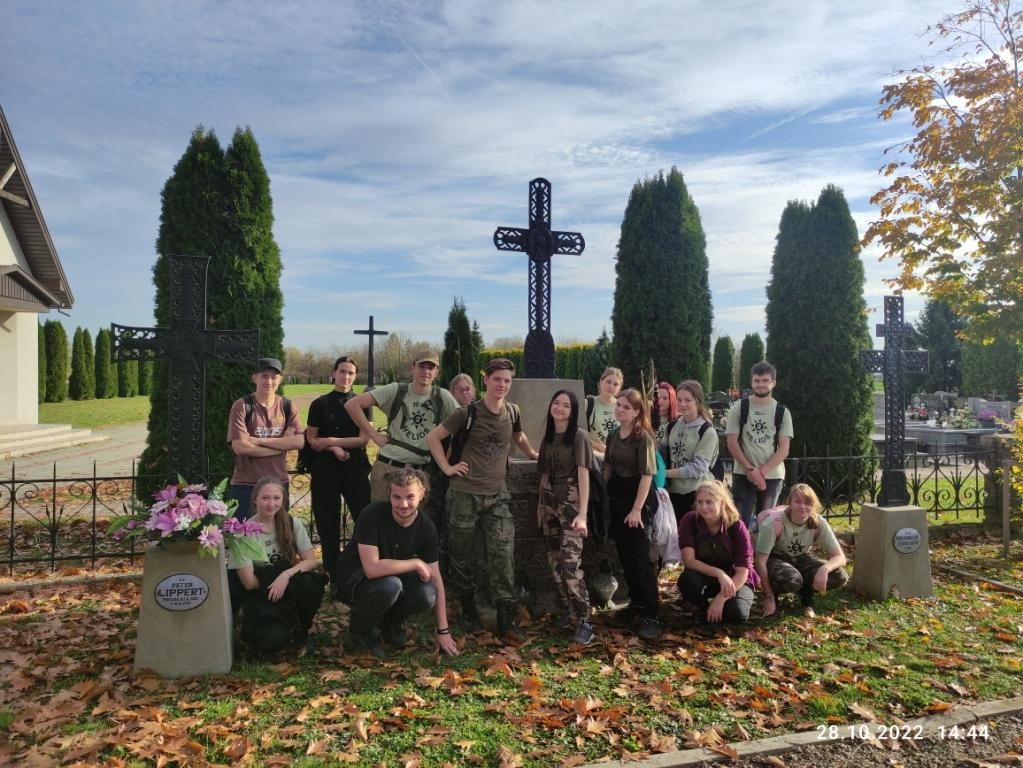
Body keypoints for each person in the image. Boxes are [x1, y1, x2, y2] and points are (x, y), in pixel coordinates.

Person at [426, 358, 539, 642]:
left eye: (507, 380)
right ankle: (468, 611)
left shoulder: (512, 411)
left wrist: (533, 454)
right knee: (462, 555)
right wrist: (447, 468)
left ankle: (505, 618)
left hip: (497, 496)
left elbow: (518, 436)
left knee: (503, 554)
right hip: (464, 495)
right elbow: (433, 438)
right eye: (497, 379)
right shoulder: (467, 413)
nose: (502, 385)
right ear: (486, 380)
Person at [334, 467, 459, 657]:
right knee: (390, 586)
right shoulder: (371, 515)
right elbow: (371, 568)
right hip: (354, 577)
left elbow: (436, 578)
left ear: (422, 495)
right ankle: (359, 632)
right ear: (389, 495)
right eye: (396, 497)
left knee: (427, 593)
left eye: (410, 497)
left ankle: (389, 622)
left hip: (390, 575)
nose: (403, 504)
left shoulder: (426, 527)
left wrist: (443, 630)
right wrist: (416, 564)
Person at [344, 353, 458, 521]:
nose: (426, 371)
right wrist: (374, 435)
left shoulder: (442, 397)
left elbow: (463, 421)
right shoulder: (396, 390)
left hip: (419, 473)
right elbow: (353, 404)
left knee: (412, 527)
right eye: (421, 366)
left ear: (437, 372)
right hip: (389, 468)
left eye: (431, 368)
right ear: (413, 367)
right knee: (381, 522)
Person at [228, 476, 325, 653]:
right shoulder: (243, 533)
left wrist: (285, 576)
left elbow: (310, 561)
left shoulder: (292, 523)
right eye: (265, 498)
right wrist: (278, 581)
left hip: (287, 583)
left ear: (283, 500)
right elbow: (249, 583)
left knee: (311, 583)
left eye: (276, 498)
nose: (271, 504)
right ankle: (279, 627)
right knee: (271, 642)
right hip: (262, 593)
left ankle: (301, 630)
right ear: (255, 499)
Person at [536, 390, 595, 645]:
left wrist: (583, 514)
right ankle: (568, 611)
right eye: (556, 403)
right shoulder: (549, 437)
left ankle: (585, 620)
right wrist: (540, 507)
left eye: (566, 405)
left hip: (572, 508)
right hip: (550, 506)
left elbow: (584, 475)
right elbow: (543, 475)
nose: (560, 408)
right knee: (554, 562)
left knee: (571, 565)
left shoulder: (579, 437)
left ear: (573, 412)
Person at [603, 387, 660, 641]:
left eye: (626, 407)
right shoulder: (614, 434)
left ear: (637, 412)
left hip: (639, 499)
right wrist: (602, 495)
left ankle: (651, 614)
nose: (620, 409)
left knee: (640, 559)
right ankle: (636, 604)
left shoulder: (642, 437)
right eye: (618, 405)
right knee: (624, 556)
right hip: (618, 499)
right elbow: (608, 466)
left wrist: (637, 510)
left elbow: (647, 475)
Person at [306, 356, 372, 576]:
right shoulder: (319, 404)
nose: (346, 376)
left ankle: (356, 566)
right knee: (327, 524)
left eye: (351, 373)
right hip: (325, 469)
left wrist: (331, 441)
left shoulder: (363, 404)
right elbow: (312, 439)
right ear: (334, 373)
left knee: (365, 519)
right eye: (342, 371)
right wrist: (332, 448)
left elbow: (363, 440)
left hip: (355, 468)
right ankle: (333, 573)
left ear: (355, 376)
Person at [754, 483, 848, 618]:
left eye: (808, 503)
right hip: (775, 558)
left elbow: (840, 557)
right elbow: (759, 561)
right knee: (792, 579)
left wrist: (824, 569)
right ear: (790, 503)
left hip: (801, 557)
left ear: (813, 505)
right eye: (797, 502)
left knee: (839, 576)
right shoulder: (773, 523)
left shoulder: (818, 522)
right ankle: (774, 595)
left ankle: (806, 594)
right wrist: (768, 595)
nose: (802, 507)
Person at [227, 357, 304, 520]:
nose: (269, 381)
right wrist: (282, 444)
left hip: (277, 483)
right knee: (244, 533)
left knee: (277, 532)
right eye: (264, 376)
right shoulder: (242, 406)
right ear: (254, 378)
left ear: (280, 379)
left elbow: (299, 441)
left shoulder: (287, 406)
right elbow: (240, 447)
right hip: (246, 484)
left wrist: (257, 440)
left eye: (274, 377)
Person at [677, 480, 757, 624]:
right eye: (700, 502)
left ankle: (719, 608)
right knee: (687, 580)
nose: (703, 507)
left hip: (734, 579)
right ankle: (703, 608)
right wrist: (719, 573)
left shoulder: (737, 526)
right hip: (705, 576)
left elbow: (743, 571)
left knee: (737, 614)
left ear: (722, 503)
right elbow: (689, 561)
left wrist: (721, 598)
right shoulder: (689, 520)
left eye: (709, 502)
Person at [725, 362, 793, 528]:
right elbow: (732, 442)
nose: (760, 384)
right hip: (743, 473)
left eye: (765, 380)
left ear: (773, 383)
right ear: (751, 382)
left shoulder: (782, 412)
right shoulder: (739, 408)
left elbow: (784, 448)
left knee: (767, 524)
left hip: (772, 475)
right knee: (740, 523)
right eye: (757, 380)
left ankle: (761, 547)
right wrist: (751, 470)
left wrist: (761, 472)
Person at [662, 380, 719, 524]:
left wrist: (665, 473)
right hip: (672, 492)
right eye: (679, 400)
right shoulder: (671, 426)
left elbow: (698, 468)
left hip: (697, 494)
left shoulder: (707, 431)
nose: (682, 404)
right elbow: (660, 453)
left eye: (688, 400)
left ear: (697, 401)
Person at [587, 367, 623, 459]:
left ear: (619, 388)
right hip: (593, 457)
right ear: (601, 382)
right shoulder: (587, 404)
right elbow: (577, 434)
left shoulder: (622, 406)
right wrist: (599, 446)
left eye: (615, 384)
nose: (611, 386)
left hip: (617, 458)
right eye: (608, 382)